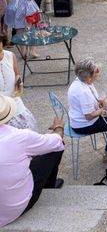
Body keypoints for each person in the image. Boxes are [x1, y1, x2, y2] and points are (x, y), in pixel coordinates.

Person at [0, 96, 65, 228]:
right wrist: (58, 127)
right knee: (56, 148)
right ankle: (48, 185)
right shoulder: (19, 136)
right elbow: (56, 141)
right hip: (12, 208)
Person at [67, 58, 107, 160]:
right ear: (89, 78)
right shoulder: (83, 91)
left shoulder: (81, 80)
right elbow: (89, 116)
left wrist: (100, 102)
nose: (98, 72)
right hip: (84, 124)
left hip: (78, 119)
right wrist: (104, 108)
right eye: (96, 72)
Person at [0, 33, 36, 130]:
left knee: (25, 125)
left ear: (2, 43)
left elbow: (16, 74)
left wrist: (19, 82)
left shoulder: (10, 55)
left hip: (14, 97)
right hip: (1, 102)